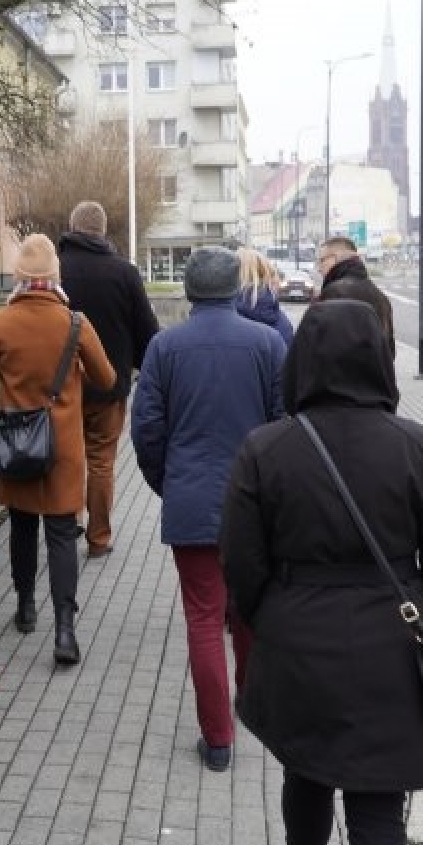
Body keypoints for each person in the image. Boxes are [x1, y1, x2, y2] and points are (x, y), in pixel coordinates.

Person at [220, 300, 423, 845]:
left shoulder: (266, 448)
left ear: (303, 363)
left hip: (298, 642)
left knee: (305, 771)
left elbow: (241, 559)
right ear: (382, 363)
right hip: (393, 642)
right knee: (378, 811)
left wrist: (269, 617)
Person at [130, 245, 286, 772]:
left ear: (190, 291)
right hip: (255, 506)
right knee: (248, 612)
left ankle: (218, 740)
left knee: (202, 619)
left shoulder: (164, 347)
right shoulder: (267, 343)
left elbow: (147, 428)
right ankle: (256, 708)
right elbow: (284, 425)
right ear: (235, 289)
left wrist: (169, 483)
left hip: (192, 502)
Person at [0, 234, 115, 665]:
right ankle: (66, 632)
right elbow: (107, 379)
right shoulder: (75, 323)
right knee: (60, 538)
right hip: (62, 450)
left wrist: (10, 388)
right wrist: (68, 387)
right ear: (54, 275)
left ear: (18, 276)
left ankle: (25, 607)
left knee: (21, 527)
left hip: (16, 446)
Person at [57, 200, 160, 559]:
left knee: (67, 459)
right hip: (109, 386)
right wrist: (148, 372)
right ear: (102, 231)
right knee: (101, 461)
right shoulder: (124, 272)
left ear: (72, 227)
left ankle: (66, 529)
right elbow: (146, 330)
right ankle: (99, 539)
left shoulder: (56, 270)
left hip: (62, 387)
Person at [315, 236, 394, 347]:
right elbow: (389, 349)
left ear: (335, 258)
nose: (319, 268)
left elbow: (321, 344)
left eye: (322, 260)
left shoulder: (333, 294)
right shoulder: (381, 297)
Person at [234, 247, 294, 349]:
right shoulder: (278, 318)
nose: (278, 282)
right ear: (266, 277)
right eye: (273, 274)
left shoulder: (215, 317)